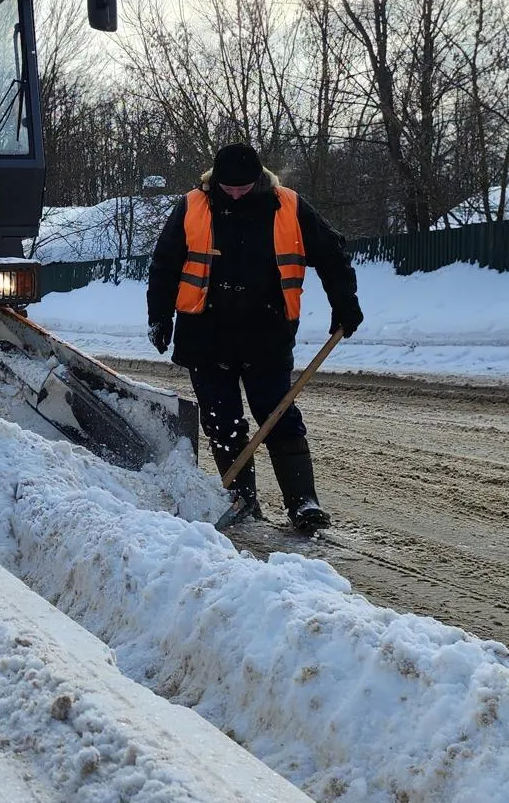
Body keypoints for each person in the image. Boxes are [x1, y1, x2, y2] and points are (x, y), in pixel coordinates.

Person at [144, 142, 363, 533]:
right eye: (228, 188)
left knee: (277, 415)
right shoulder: (193, 205)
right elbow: (164, 264)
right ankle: (242, 500)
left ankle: (303, 503)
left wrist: (345, 303)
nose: (236, 194)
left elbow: (332, 254)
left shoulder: (289, 205)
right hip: (206, 336)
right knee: (222, 421)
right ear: (215, 181)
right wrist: (159, 317)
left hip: (267, 334)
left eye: (243, 187)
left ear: (259, 178)